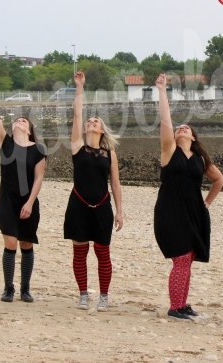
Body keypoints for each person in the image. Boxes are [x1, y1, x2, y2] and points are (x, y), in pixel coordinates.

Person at [153, 73, 223, 320]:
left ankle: (182, 304)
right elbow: (165, 121)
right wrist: (162, 91)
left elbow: (219, 180)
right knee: (181, 258)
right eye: (179, 127)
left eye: (187, 128)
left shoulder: (200, 159)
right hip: (170, 210)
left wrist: (206, 203)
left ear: (193, 137)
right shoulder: (168, 151)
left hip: (194, 211)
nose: (182, 128)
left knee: (188, 258)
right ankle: (174, 306)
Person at [0, 70, 47, 303]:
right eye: (17, 119)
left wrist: (30, 203)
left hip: (28, 202)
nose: (19, 121)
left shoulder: (38, 150)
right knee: (10, 242)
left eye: (24, 121)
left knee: (26, 243)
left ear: (29, 129)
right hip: (6, 201)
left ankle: (25, 288)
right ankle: (8, 288)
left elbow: (38, 179)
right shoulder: (6, 143)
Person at [63, 71, 124, 312]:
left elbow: (116, 184)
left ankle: (104, 295)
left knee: (102, 252)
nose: (91, 123)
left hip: (102, 206)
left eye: (95, 122)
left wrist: (120, 211)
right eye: (90, 122)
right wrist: (79, 88)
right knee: (80, 252)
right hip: (78, 205)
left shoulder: (110, 154)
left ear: (102, 129)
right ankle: (83, 294)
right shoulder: (78, 147)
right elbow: (77, 114)